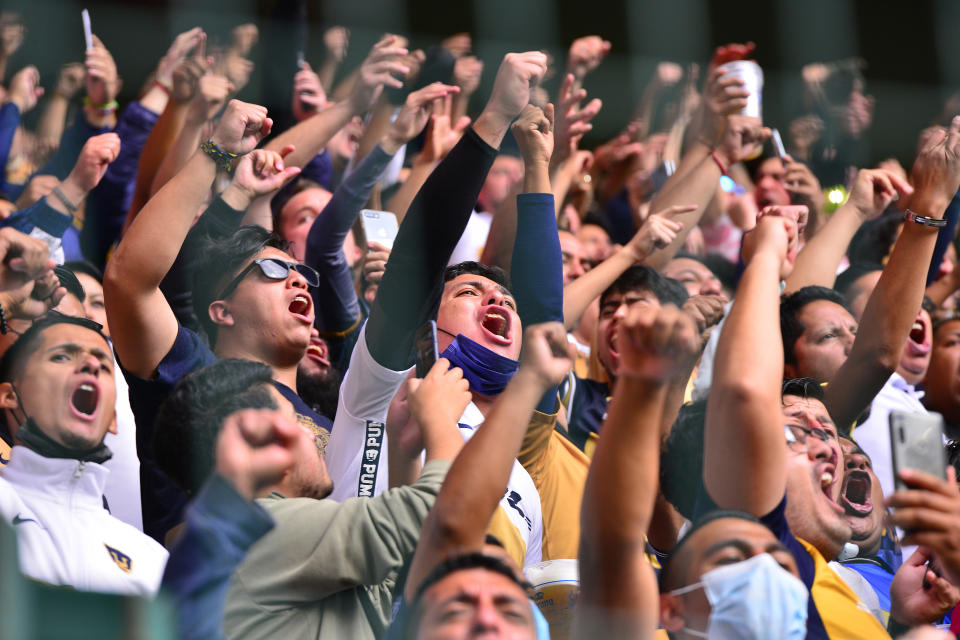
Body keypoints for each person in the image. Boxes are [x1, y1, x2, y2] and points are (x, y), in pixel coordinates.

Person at [154, 356, 465, 639]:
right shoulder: (263, 530)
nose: (313, 435)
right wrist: (440, 417)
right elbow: (442, 516)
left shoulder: (249, 538)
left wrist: (401, 447)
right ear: (257, 440)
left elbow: (395, 571)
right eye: (295, 423)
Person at [0, 314, 167, 594]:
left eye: (103, 365)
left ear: (113, 418)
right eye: (62, 357)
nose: (91, 364)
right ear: (8, 396)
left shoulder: (154, 562)